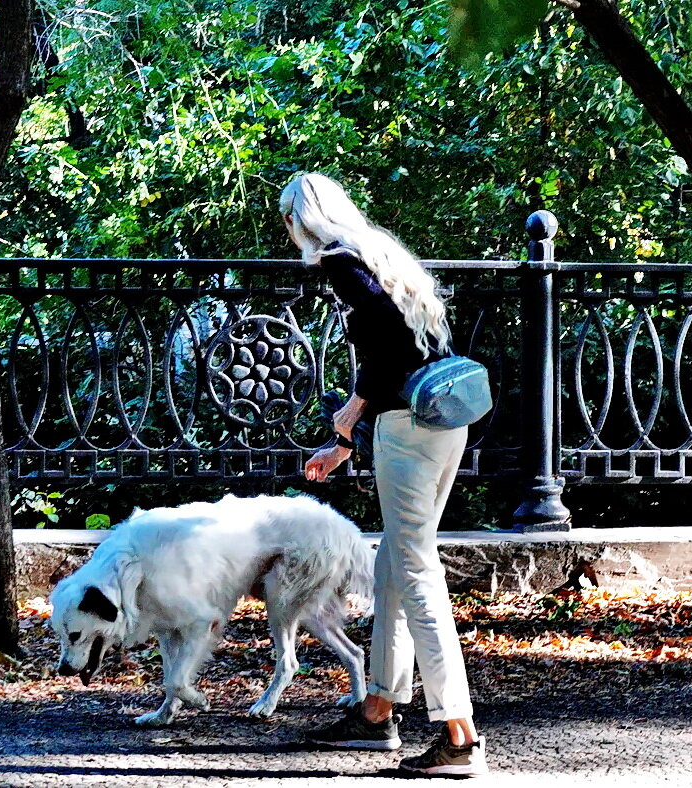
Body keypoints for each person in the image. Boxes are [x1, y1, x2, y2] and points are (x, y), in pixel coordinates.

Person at [280, 173, 488, 777]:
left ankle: (459, 735)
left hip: (408, 429)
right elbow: (412, 344)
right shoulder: (383, 254)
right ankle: (377, 713)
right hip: (444, 419)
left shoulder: (342, 261)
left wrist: (351, 411)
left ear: (303, 218)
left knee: (417, 573)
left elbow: (383, 342)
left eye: (288, 221)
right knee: (394, 568)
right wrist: (347, 441)